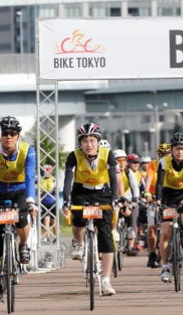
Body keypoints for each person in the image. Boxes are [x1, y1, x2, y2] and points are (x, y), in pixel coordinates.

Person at [62, 123, 118, 296]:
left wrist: (114, 199)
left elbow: (114, 178)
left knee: (107, 237)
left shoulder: (108, 155)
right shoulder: (74, 156)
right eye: (85, 140)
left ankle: (106, 281)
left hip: (102, 192)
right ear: (80, 143)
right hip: (81, 191)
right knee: (77, 218)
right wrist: (66, 200)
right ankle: (79, 243)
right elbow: (68, 178)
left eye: (92, 140)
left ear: (98, 141)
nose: (89, 144)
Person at [0, 116, 36, 302]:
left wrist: (31, 200)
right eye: (4, 133)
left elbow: (30, 176)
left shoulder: (27, 150)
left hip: (19, 189)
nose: (8, 137)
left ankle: (23, 245)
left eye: (12, 133)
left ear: (18, 136)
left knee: (22, 217)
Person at [156, 133, 183, 284]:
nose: (179, 151)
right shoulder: (163, 162)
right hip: (168, 195)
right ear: (172, 150)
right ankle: (165, 266)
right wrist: (158, 200)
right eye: (177, 148)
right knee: (165, 233)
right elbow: (159, 183)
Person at [144, 143, 170, 269]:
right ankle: (153, 254)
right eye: (161, 155)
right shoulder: (153, 165)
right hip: (155, 197)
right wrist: (147, 192)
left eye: (166, 155)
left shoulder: (172, 163)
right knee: (151, 228)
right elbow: (149, 179)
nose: (163, 157)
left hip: (169, 197)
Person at [115, 150, 140, 256]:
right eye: (118, 160)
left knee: (129, 213)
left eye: (123, 160)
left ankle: (130, 241)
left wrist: (135, 199)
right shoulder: (109, 171)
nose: (121, 163)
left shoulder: (128, 172)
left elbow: (134, 186)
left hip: (127, 199)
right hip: (114, 199)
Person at [39, 164, 57, 243]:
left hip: (48, 202)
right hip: (49, 202)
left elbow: (40, 193)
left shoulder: (42, 180)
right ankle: (51, 236)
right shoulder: (52, 179)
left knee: (50, 220)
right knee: (50, 220)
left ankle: (51, 236)